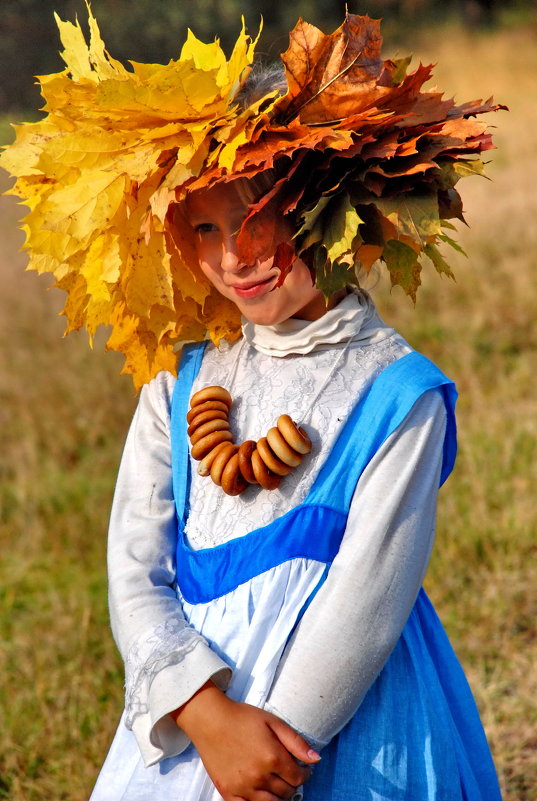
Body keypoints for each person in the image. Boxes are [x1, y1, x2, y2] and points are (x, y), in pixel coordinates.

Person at [0, 9, 505, 801]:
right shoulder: (179, 376)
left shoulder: (395, 395)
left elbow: (368, 606)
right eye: (207, 226)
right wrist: (201, 712)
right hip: (197, 717)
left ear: (336, 208)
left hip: (333, 733)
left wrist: (267, 755)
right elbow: (134, 565)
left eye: (263, 216)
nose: (236, 256)